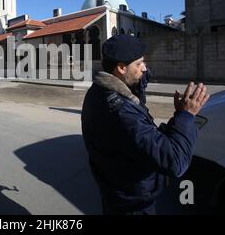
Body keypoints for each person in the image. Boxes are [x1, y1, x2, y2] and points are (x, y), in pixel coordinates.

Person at [81, 34, 210, 215]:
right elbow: (175, 161)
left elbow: (142, 132)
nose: (145, 68)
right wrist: (186, 116)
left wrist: (176, 119)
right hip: (133, 204)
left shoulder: (99, 90)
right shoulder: (122, 113)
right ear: (121, 67)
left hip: (116, 191)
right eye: (139, 63)